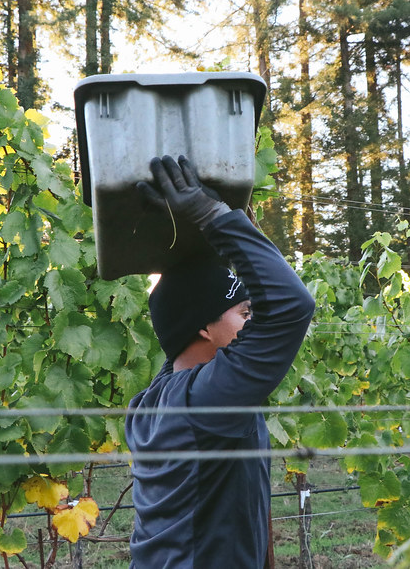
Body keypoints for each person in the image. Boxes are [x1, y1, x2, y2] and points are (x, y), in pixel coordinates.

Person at [124, 155, 316, 568]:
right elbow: (291, 306)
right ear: (203, 330)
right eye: (245, 313)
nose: (253, 322)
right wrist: (212, 216)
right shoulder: (209, 400)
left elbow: (181, 319)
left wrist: (221, 236)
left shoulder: (149, 403)